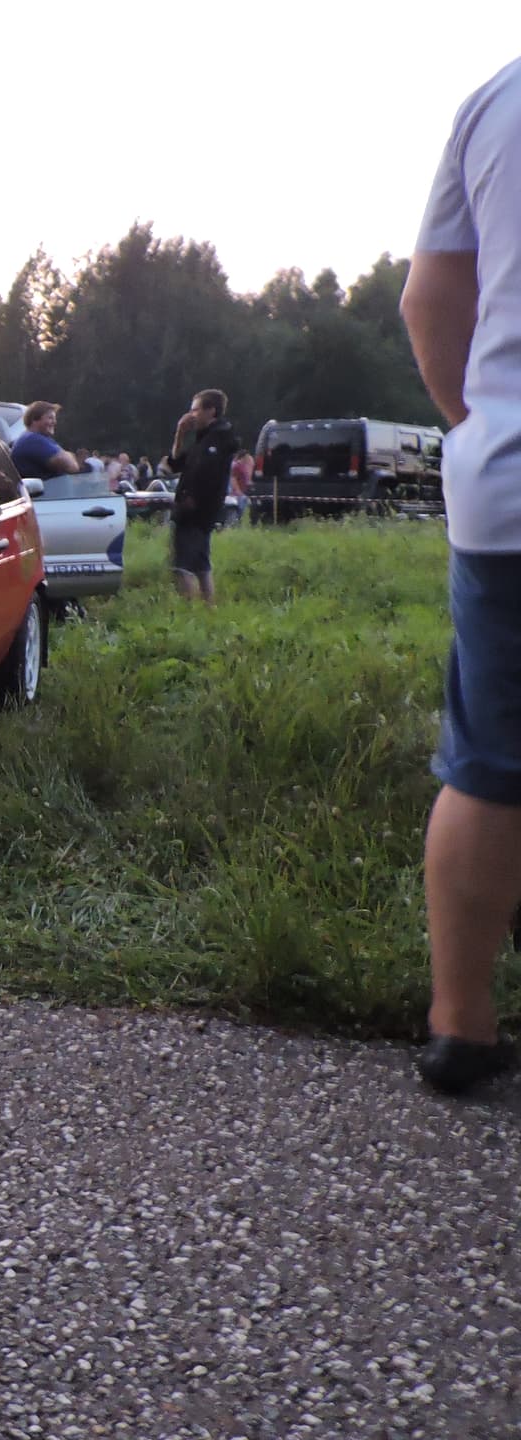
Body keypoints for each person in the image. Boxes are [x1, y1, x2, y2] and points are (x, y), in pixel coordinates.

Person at [401, 57, 521, 1095]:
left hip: (510, 497)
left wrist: (482, 431)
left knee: (489, 762)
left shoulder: (496, 102)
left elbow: (429, 301)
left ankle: (462, 1027)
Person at [166, 388, 239, 604]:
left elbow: (206, 473)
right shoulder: (203, 439)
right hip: (198, 510)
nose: (190, 416)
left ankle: (192, 612)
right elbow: (175, 463)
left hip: (196, 511)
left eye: (195, 410)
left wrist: (191, 498)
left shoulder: (219, 439)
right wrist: (180, 433)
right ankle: (209, 611)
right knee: (201, 565)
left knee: (181, 567)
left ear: (211, 411)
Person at [8, 401, 86, 481]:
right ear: (34, 419)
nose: (54, 422)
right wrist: (68, 455)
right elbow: (72, 466)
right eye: (50, 418)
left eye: (54, 418)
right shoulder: (33, 440)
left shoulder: (36, 439)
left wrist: (66, 455)